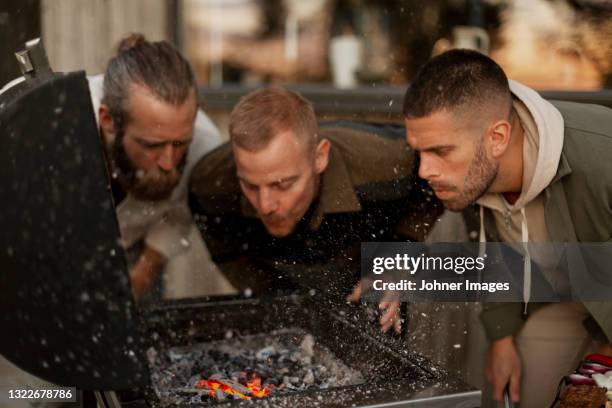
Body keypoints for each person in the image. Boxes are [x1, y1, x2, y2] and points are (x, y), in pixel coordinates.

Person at [402, 48, 612, 407]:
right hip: (570, 299)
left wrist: (601, 370)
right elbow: (495, 254)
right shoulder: (471, 182)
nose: (424, 171)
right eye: (419, 152)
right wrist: (501, 337)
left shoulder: (603, 160)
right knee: (517, 394)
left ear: (497, 138)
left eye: (441, 151)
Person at [189, 86, 441, 330]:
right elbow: (231, 256)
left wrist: (395, 264)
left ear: (320, 157)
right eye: (250, 185)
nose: (265, 206)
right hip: (287, 291)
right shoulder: (209, 184)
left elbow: (432, 189)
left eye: (283, 184)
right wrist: (280, 301)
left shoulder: (389, 162)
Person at [90, 33, 232, 301]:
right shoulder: (69, 120)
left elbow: (177, 217)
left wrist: (140, 278)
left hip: (135, 250)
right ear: (108, 120)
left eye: (180, 144)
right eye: (152, 146)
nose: (169, 163)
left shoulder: (204, 143)